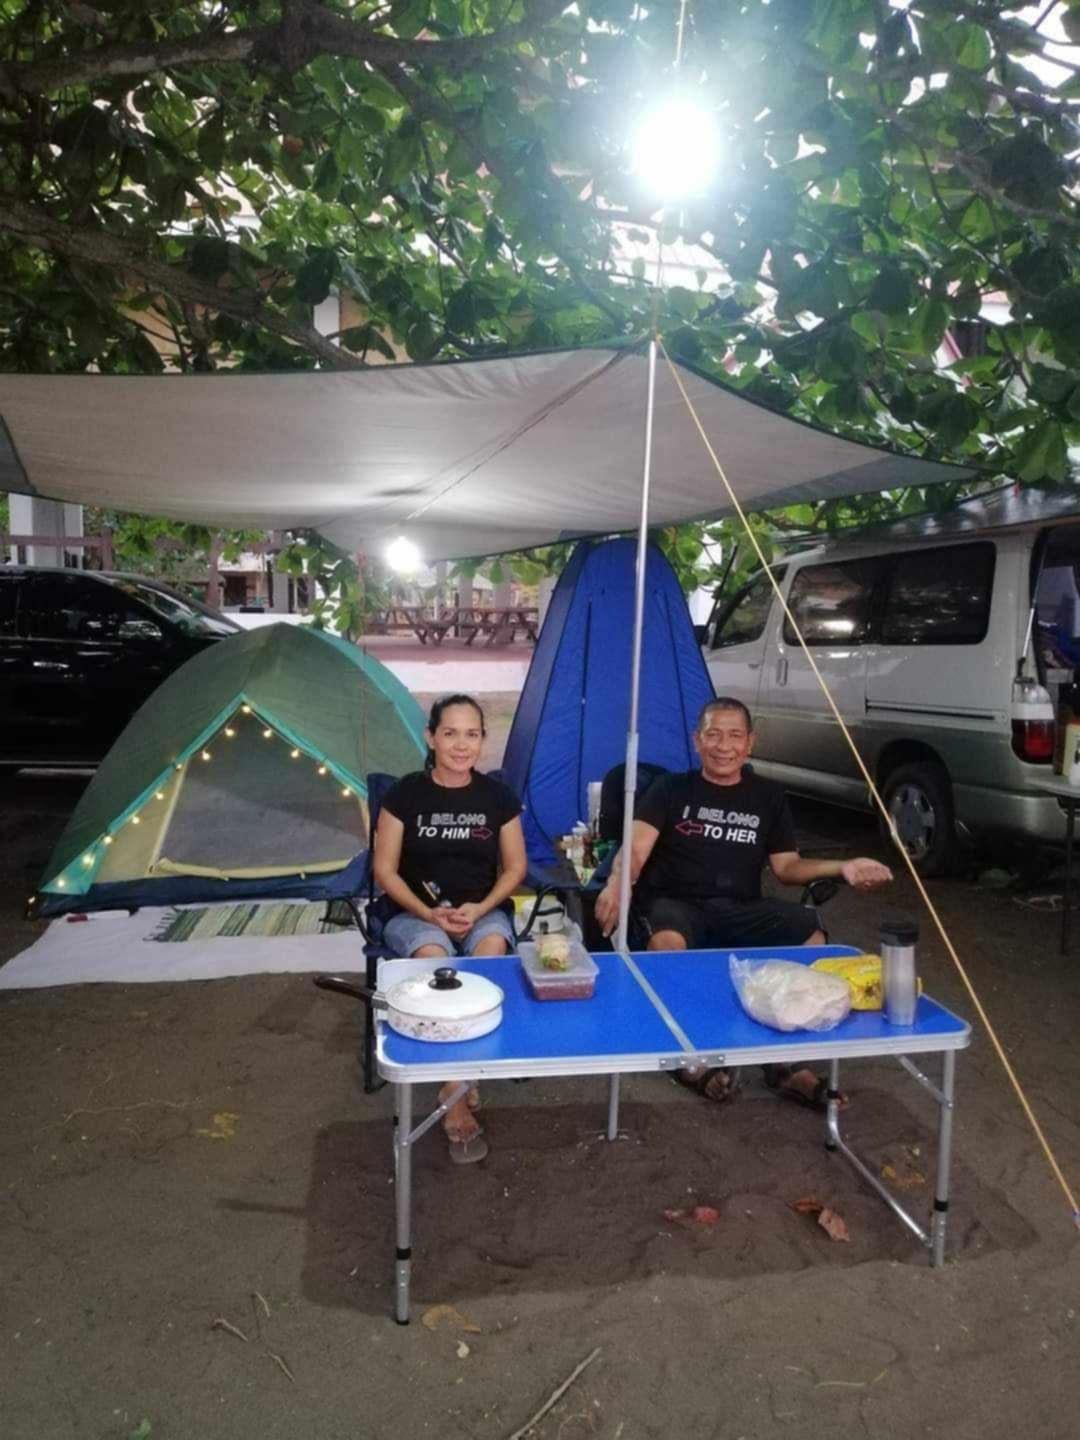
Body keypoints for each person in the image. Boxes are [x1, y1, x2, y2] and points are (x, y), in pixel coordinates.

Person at [593, 696, 893, 1108]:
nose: (723, 745)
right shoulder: (669, 789)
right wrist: (616, 882)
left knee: (810, 933)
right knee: (667, 943)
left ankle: (784, 1062)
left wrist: (842, 867)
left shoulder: (767, 795)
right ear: (697, 741)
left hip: (741, 906)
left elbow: (787, 867)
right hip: (676, 902)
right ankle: (689, 1057)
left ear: (750, 743)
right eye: (713, 734)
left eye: (734, 735)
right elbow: (637, 848)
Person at [374, 694, 526, 1164]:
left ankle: (456, 1075)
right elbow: (385, 870)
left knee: (491, 956)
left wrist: (481, 907)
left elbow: (516, 867)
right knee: (436, 964)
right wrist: (427, 912)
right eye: (451, 733)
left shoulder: (497, 796)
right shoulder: (405, 795)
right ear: (431, 737)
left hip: (482, 911)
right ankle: (457, 1097)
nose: (462, 745)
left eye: (473, 734)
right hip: (416, 914)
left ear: (483, 738)